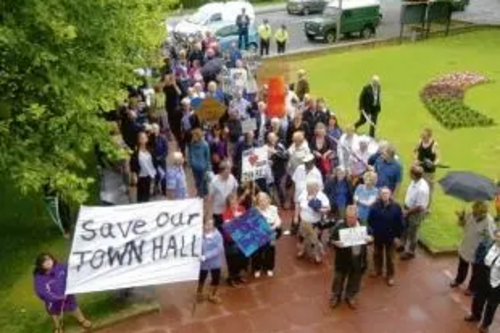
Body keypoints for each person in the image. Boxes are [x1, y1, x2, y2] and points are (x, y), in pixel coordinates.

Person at [33, 253, 92, 333]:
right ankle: (58, 327)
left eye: (49, 259)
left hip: (67, 294)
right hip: (52, 300)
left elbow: (72, 273)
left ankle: (82, 320)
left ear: (52, 259)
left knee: (74, 307)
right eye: (44, 261)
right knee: (54, 313)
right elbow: (42, 292)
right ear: (40, 265)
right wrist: (58, 298)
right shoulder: (39, 277)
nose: (48, 262)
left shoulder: (61, 267)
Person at [329, 205, 372, 309]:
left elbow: (371, 236)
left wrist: (370, 239)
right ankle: (336, 295)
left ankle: (350, 296)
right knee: (338, 279)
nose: (350, 219)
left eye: (353, 217)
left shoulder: (363, 225)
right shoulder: (339, 226)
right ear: (345, 216)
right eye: (348, 217)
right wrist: (336, 243)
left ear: (357, 215)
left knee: (355, 278)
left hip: (358, 258)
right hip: (342, 259)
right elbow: (331, 239)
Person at [451, 201, 496, 295]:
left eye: (477, 212)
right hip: (466, 245)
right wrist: (461, 218)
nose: (474, 213)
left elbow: (492, 237)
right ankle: (458, 280)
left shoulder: (489, 221)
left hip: (478, 251)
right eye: (474, 211)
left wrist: (486, 235)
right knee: (462, 266)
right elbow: (462, 225)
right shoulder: (470, 214)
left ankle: (472, 288)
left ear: (484, 212)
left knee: (476, 272)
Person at [464, 228, 500, 333]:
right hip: (484, 276)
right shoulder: (490, 245)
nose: (497, 238)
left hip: (497, 284)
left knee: (491, 305)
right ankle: (475, 315)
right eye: (497, 236)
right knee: (478, 298)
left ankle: (485, 324)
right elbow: (480, 256)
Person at [367, 187, 404, 286]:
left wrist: (397, 236)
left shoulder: (396, 207)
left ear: (390, 194)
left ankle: (390, 275)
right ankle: (377, 270)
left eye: (386, 193)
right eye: (382, 193)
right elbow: (370, 221)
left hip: (391, 238)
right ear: (379, 195)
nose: (384, 195)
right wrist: (371, 234)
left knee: (390, 258)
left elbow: (400, 223)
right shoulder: (374, 206)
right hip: (378, 236)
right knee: (377, 254)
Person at [295, 177, 330, 263]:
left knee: (314, 240)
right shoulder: (304, 193)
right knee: (301, 238)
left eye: (311, 187)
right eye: (308, 187)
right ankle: (302, 251)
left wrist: (319, 209)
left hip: (315, 223)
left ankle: (317, 255)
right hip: (304, 221)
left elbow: (328, 208)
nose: (309, 189)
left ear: (317, 187)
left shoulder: (322, 196)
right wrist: (296, 216)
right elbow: (298, 205)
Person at [400, 166, 430, 260]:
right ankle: (403, 245)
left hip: (415, 213)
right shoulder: (415, 181)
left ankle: (410, 252)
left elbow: (420, 207)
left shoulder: (422, 189)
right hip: (408, 209)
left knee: (413, 233)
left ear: (413, 175)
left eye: (410, 173)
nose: (409, 174)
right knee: (404, 229)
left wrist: (407, 212)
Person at [253, 192, 282, 278]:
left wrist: (273, 227)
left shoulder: (273, 208)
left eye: (265, 200)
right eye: (260, 200)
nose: (263, 202)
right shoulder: (255, 210)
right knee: (258, 252)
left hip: (271, 232)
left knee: (270, 251)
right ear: (258, 202)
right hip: (259, 234)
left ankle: (269, 268)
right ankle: (257, 268)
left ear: (268, 200)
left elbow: (278, 220)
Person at [222, 194, 247, 287]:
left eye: (235, 202)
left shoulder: (242, 209)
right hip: (231, 241)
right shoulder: (226, 214)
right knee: (233, 260)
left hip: (242, 239)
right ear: (228, 204)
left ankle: (238, 275)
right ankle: (231, 278)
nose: (234, 205)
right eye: (231, 203)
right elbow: (228, 231)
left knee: (242, 259)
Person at [197, 219, 225, 304]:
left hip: (214, 262)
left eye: (210, 225)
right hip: (203, 263)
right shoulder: (200, 234)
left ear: (213, 226)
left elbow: (219, 249)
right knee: (202, 278)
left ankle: (212, 295)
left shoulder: (218, 235)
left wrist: (206, 256)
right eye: (206, 224)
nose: (207, 227)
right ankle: (199, 292)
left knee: (215, 279)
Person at [208, 160, 239, 230]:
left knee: (229, 227)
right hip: (218, 210)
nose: (229, 174)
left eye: (229, 171)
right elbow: (210, 198)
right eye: (227, 173)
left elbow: (235, 189)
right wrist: (209, 213)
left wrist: (235, 202)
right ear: (221, 172)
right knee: (219, 227)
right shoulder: (214, 182)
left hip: (229, 209)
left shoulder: (232, 177)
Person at [414, 128, 440, 207]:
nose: (423, 138)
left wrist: (433, 164)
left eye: (424, 137)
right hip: (419, 170)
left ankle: (427, 207)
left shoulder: (435, 144)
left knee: (428, 190)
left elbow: (438, 158)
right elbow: (414, 151)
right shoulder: (420, 142)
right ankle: (417, 203)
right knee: (418, 187)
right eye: (422, 136)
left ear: (429, 136)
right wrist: (416, 159)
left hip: (429, 172)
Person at [130, 131, 157, 203]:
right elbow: (133, 164)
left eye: (145, 137)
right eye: (142, 138)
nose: (144, 139)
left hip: (151, 175)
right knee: (141, 196)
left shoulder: (150, 149)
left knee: (149, 195)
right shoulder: (136, 153)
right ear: (138, 140)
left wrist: (152, 130)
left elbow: (153, 136)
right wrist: (134, 174)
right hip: (141, 176)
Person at [189, 128, 211, 198]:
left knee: (203, 182)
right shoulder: (192, 144)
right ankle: (199, 193)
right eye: (193, 136)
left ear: (199, 136)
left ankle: (203, 194)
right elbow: (190, 154)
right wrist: (191, 162)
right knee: (197, 181)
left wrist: (207, 167)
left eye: (195, 136)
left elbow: (207, 157)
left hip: (203, 167)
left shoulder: (205, 145)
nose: (194, 137)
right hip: (194, 167)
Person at [150, 123, 168, 195]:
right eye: (153, 129)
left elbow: (166, 150)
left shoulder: (163, 138)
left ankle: (164, 190)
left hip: (162, 161)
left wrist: (161, 157)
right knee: (156, 175)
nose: (154, 130)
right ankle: (156, 188)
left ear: (158, 129)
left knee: (163, 176)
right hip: (153, 161)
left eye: (156, 129)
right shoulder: (150, 139)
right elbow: (149, 150)